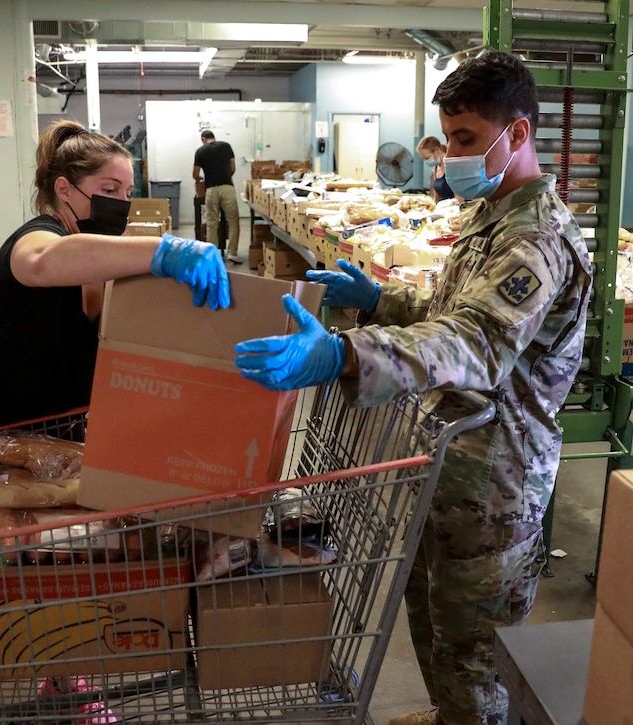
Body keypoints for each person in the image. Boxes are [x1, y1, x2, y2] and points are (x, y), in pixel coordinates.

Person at [234, 51, 592, 725]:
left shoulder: (535, 240)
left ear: (516, 135)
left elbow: (476, 343)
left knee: (473, 654)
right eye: (448, 137)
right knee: (429, 622)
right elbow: (450, 312)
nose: (449, 156)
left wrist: (348, 352)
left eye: (464, 139)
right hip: (450, 467)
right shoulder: (490, 219)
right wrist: (382, 302)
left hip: (496, 486)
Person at [0, 120, 230, 439]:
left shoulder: (98, 258)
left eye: (127, 192)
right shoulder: (36, 237)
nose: (121, 203)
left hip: (46, 429)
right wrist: (167, 251)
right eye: (109, 189)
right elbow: (40, 262)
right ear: (64, 189)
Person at [193, 129, 243, 264]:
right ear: (213, 137)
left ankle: (213, 255)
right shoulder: (226, 146)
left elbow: (195, 174)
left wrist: (202, 178)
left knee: (212, 223)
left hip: (211, 190)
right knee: (233, 221)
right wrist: (225, 176)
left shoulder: (200, 151)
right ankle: (232, 253)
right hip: (227, 188)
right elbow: (232, 168)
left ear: (203, 139)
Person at [417, 135, 457, 203]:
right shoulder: (436, 169)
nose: (426, 161)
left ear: (437, 150)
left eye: (427, 158)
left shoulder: (453, 167)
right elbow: (436, 198)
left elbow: (459, 200)